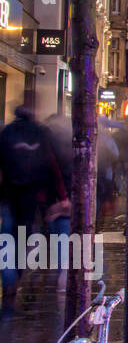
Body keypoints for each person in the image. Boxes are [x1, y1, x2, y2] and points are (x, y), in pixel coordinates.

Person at [0, 106, 66, 307]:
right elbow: (52, 165)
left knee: (6, 236)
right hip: (33, 197)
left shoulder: (7, 132)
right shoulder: (41, 133)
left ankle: (9, 280)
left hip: (8, 196)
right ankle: (18, 273)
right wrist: (58, 196)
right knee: (25, 235)